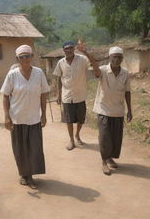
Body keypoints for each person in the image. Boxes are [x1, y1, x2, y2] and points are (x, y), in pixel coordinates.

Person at [0, 45, 50, 189]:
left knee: (34, 148)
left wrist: (44, 115)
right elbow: (5, 96)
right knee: (20, 149)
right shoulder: (12, 75)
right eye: (21, 57)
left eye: (27, 56)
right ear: (17, 59)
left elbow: (43, 94)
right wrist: (7, 117)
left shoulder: (39, 73)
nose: (25, 59)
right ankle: (24, 175)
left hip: (34, 118)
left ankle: (31, 175)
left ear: (32, 57)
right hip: (17, 118)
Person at [53, 41, 101, 150]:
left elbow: (94, 63)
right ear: (63, 50)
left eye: (70, 48)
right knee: (69, 120)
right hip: (67, 96)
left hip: (80, 95)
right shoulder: (60, 62)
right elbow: (59, 78)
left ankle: (77, 135)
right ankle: (71, 140)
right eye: (66, 49)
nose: (69, 50)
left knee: (81, 119)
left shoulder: (82, 60)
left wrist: (85, 52)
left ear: (74, 49)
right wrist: (58, 94)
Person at [93, 46, 132, 175]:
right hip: (103, 109)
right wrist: (86, 53)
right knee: (104, 137)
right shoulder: (103, 70)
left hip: (118, 110)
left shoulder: (125, 73)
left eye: (119, 57)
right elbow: (96, 71)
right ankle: (104, 162)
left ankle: (109, 158)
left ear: (122, 58)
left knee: (115, 138)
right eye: (114, 56)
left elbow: (127, 92)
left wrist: (129, 110)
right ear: (109, 57)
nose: (117, 59)